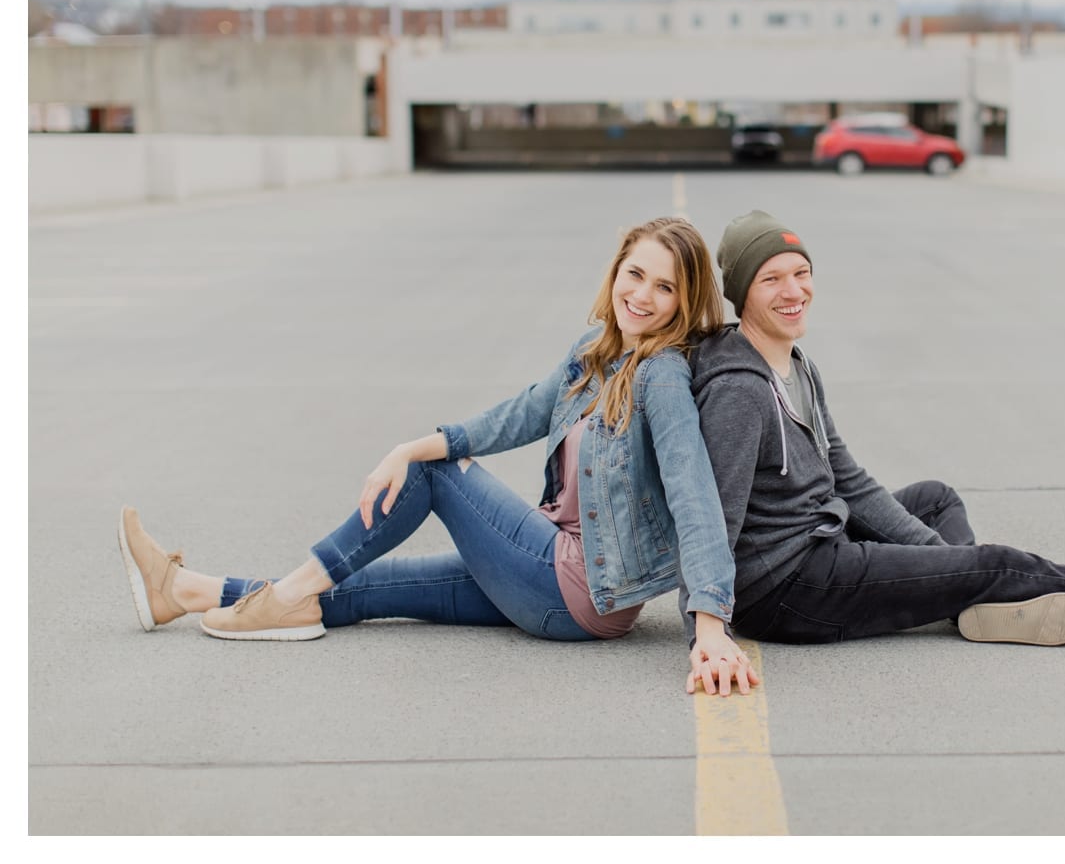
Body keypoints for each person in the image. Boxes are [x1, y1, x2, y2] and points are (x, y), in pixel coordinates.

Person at [118, 216, 760, 697]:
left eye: (665, 288)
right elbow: (517, 415)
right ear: (616, 272)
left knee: (433, 476)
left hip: (580, 587)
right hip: (547, 577)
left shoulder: (662, 378)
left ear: (684, 301)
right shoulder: (594, 353)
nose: (643, 296)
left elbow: (693, 494)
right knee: (363, 587)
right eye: (635, 275)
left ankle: (282, 595)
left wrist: (710, 626)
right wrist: (411, 441)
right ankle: (184, 591)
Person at [689, 210, 1065, 647]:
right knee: (1000, 565)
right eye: (772, 280)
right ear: (743, 293)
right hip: (790, 590)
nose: (794, 291)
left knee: (936, 499)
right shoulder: (740, 390)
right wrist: (708, 628)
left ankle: (969, 601)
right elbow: (715, 520)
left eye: (801, 272)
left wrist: (947, 567)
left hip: (826, 542)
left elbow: (848, 478)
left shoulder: (793, 363)